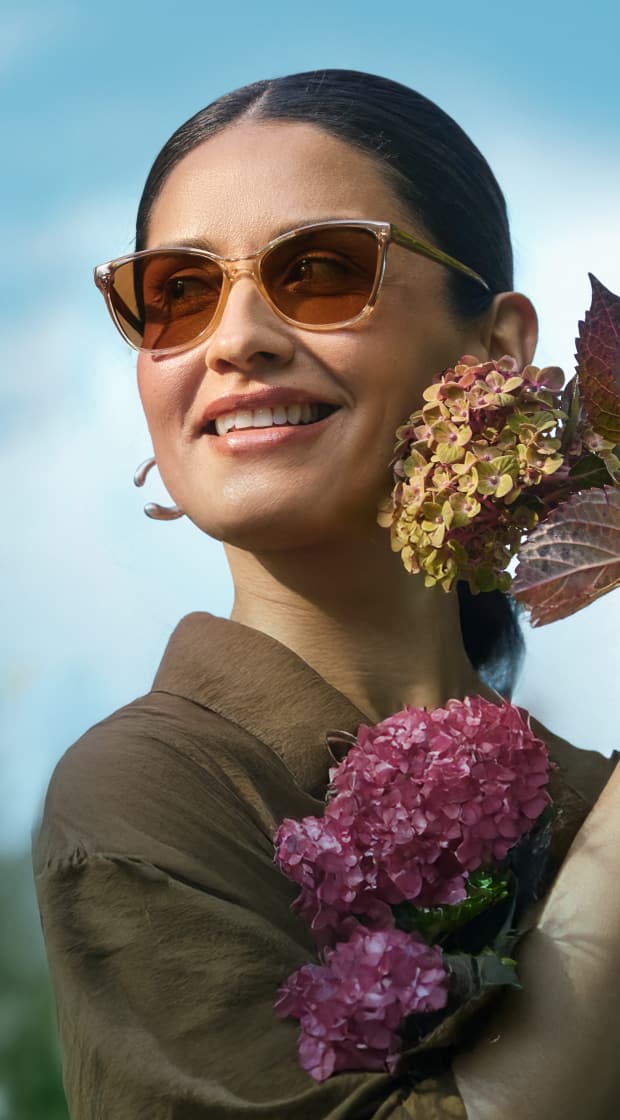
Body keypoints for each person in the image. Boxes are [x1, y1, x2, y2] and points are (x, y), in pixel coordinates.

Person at [32, 70, 619, 1119]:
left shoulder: (589, 793)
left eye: (319, 270)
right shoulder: (147, 792)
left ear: (497, 346)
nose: (234, 336)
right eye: (176, 291)